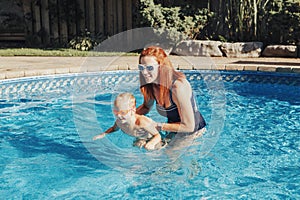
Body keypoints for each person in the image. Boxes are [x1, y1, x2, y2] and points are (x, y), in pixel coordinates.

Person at [136, 46, 206, 150]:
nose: (144, 72)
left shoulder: (178, 87)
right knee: (140, 143)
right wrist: (129, 116)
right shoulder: (151, 83)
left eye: (149, 68)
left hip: (193, 131)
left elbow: (189, 126)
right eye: (141, 68)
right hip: (173, 128)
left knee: (170, 158)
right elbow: (146, 107)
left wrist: (158, 126)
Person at [93, 92, 164, 150]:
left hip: (154, 139)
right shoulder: (119, 122)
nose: (119, 115)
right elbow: (113, 129)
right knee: (136, 146)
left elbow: (157, 135)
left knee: (153, 150)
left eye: (123, 112)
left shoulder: (142, 122)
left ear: (132, 110)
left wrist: (151, 143)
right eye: (115, 112)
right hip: (140, 138)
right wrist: (103, 134)